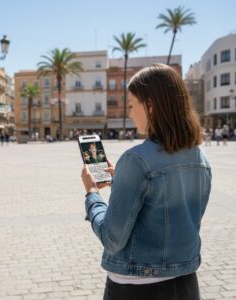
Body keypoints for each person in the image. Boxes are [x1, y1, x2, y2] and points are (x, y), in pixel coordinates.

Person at [81, 64, 212, 300]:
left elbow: (112, 239)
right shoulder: (199, 158)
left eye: (132, 105)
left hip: (136, 287)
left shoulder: (137, 160)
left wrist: (91, 194)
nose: (129, 113)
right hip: (186, 284)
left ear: (151, 105)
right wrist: (121, 179)